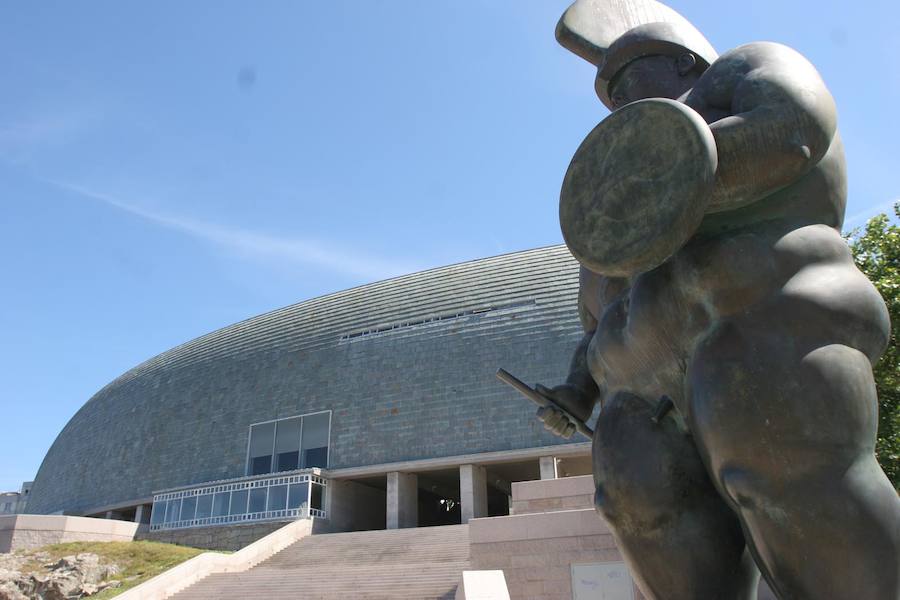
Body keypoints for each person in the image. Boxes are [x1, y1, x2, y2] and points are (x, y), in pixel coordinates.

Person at [538, 2, 900, 598]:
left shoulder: (745, 68)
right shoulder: (620, 190)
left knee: (789, 479)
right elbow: (598, 320)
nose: (621, 103)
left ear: (685, 61)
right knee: (639, 507)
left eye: (629, 81)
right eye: (611, 97)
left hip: (759, 321)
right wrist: (577, 389)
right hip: (637, 385)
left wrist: (660, 174)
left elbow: (796, 124)